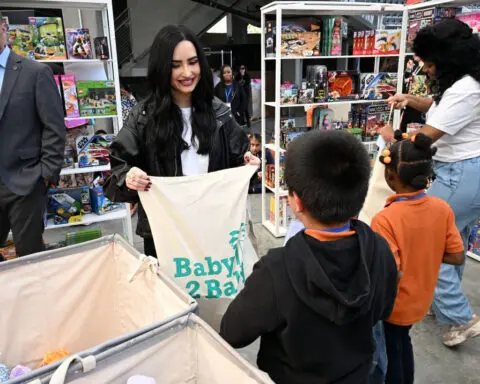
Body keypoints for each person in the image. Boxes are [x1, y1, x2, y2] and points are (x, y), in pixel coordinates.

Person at [220, 130, 398, 384]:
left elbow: (233, 332)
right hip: (359, 375)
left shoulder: (277, 269)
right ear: (360, 196)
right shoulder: (378, 249)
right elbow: (384, 307)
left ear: (296, 202)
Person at [103, 25, 259, 258]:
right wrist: (129, 178)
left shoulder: (219, 113)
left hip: (215, 231)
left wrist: (249, 164)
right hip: (164, 237)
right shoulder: (143, 118)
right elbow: (114, 177)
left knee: (216, 293)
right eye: (176, 65)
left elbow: (240, 161)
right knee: (169, 294)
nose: (187, 72)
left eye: (193, 62)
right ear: (161, 68)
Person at [386, 19, 480, 346]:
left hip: (459, 173)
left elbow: (424, 140)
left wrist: (393, 139)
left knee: (426, 247)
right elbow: (438, 109)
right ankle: (444, 303)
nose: (426, 69)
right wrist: (409, 100)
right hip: (464, 172)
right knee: (452, 243)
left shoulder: (467, 88)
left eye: (428, 63)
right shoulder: (459, 83)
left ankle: (461, 318)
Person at [371, 131, 464, 384]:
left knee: (390, 351)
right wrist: (426, 250)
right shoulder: (441, 208)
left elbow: (392, 272)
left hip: (394, 306)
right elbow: (456, 256)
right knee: (402, 342)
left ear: (390, 176)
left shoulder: (385, 219)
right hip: (422, 299)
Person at [0, 15, 66, 257]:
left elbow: (54, 125)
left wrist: (46, 174)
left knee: (30, 259)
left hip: (25, 181)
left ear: (4, 28)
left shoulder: (35, 73)